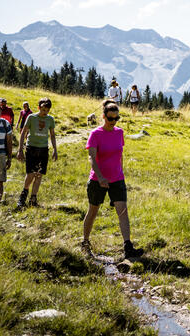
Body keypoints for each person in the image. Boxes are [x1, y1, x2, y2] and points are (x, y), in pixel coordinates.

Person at [81, 99, 144, 260]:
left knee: (123, 211)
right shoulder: (96, 134)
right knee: (93, 211)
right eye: (110, 118)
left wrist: (121, 172)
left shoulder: (119, 132)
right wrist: (100, 177)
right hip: (97, 180)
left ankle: (128, 247)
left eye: (116, 118)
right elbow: (92, 158)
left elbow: (120, 154)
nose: (113, 121)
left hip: (117, 179)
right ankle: (85, 243)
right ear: (103, 116)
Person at [16, 97, 58, 208]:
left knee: (39, 175)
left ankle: (33, 198)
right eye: (43, 110)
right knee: (30, 174)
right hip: (31, 149)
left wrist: (55, 149)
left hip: (43, 149)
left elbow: (52, 135)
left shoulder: (50, 119)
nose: (45, 113)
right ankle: (23, 195)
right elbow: (23, 132)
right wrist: (20, 149)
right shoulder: (31, 117)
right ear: (39, 107)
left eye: (47, 110)